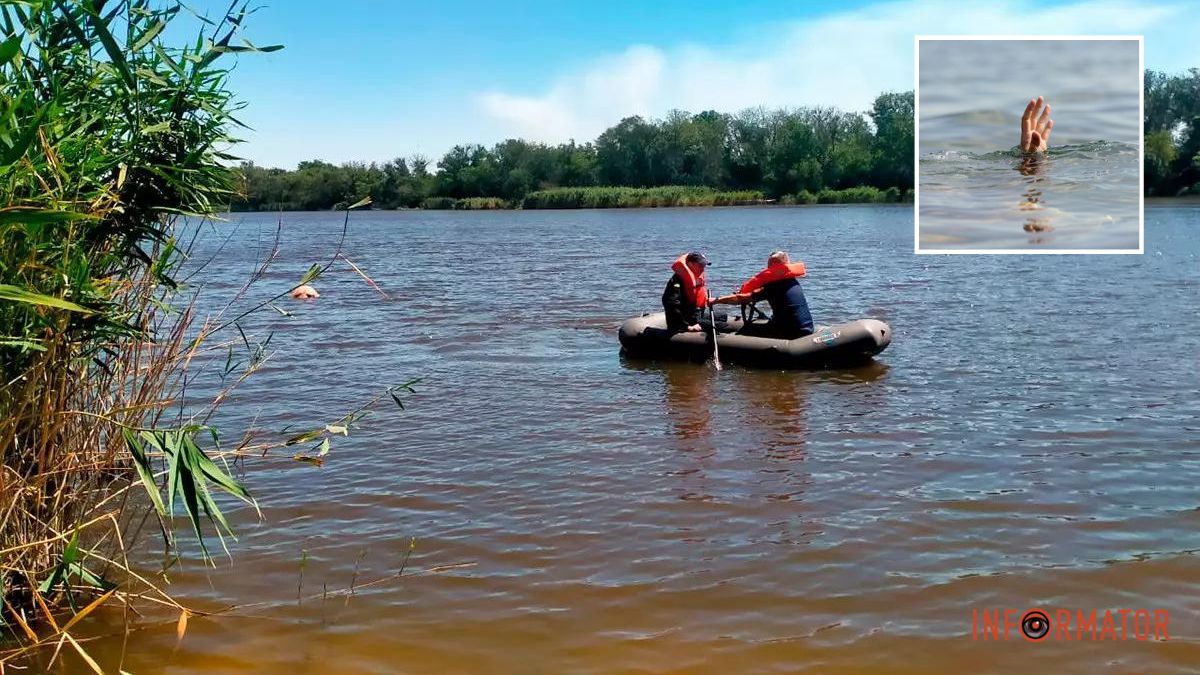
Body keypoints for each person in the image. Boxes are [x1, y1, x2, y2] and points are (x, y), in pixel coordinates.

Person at [713, 250, 813, 339]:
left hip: (791, 332)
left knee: (746, 330)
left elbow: (741, 299)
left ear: (772, 267)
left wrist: (716, 300)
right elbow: (761, 293)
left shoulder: (773, 286)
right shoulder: (792, 281)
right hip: (807, 327)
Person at [662, 251, 711, 333]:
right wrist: (686, 326)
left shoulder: (696, 277)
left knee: (723, 317)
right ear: (690, 264)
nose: (703, 268)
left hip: (694, 314)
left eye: (704, 265)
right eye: (700, 265)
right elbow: (671, 304)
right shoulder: (677, 281)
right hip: (685, 321)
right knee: (717, 325)